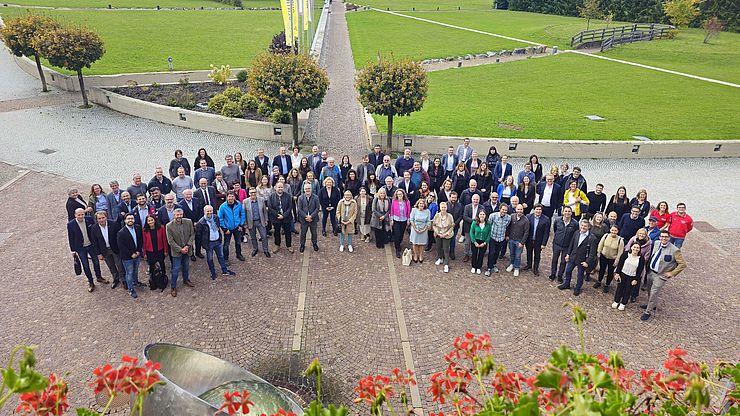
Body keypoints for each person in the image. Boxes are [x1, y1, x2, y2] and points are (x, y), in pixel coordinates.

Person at [640, 230, 687, 321]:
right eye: (662, 236)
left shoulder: (675, 250)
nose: (664, 238)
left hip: (661, 275)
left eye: (666, 237)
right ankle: (651, 304)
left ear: (669, 238)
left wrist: (672, 273)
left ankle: (647, 312)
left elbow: (682, 264)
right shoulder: (657, 243)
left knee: (654, 292)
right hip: (651, 272)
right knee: (649, 290)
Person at [68, 208, 107, 292]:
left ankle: (99, 277)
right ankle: (91, 282)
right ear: (75, 215)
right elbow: (70, 237)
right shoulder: (71, 224)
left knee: (96, 262)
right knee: (85, 265)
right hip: (80, 248)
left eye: (82, 214)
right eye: (79, 215)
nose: (81, 216)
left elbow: (94, 231)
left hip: (91, 245)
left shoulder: (89, 220)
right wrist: (73, 250)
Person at [558, 219, 597, 296]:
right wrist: (568, 254)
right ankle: (566, 284)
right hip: (573, 256)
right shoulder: (576, 233)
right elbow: (571, 244)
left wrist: (587, 262)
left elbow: (592, 253)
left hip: (582, 260)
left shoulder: (592, 238)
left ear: (588, 227)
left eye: (585, 226)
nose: (583, 227)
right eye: (582, 225)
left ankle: (578, 288)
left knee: (580, 275)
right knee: (568, 271)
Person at [198, 205, 235, 280]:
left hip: (217, 241)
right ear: (204, 212)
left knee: (221, 256)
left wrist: (220, 238)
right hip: (209, 243)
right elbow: (199, 236)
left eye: (210, 211)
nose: (209, 212)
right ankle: (213, 273)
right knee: (210, 259)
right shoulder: (201, 222)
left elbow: (218, 226)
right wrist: (204, 245)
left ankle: (224, 270)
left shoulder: (215, 217)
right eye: (207, 211)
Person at [165, 208, 195, 297]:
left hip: (187, 249)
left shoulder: (188, 222)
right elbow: (170, 241)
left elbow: (192, 234)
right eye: (177, 215)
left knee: (186, 266)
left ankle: (186, 280)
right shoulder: (169, 226)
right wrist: (180, 249)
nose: (179, 216)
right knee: (176, 269)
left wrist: (187, 246)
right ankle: (173, 287)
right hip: (177, 252)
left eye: (180, 215)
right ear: (174, 215)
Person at [90, 211, 124, 289]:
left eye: (103, 218)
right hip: (104, 251)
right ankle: (116, 279)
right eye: (99, 218)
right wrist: (98, 253)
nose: (101, 220)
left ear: (106, 217)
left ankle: (123, 279)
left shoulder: (113, 224)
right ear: (96, 219)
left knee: (120, 265)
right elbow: (94, 242)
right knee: (111, 266)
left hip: (115, 248)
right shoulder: (94, 228)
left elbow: (119, 237)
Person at [117, 213, 144, 298]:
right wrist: (131, 254)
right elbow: (122, 246)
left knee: (135, 270)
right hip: (127, 257)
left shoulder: (138, 228)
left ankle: (135, 282)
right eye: (128, 219)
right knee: (129, 273)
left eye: (132, 218)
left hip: (137, 254)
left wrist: (139, 251)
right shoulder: (121, 232)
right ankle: (131, 289)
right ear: (125, 220)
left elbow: (140, 240)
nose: (130, 220)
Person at [613, 242, 645, 311]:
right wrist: (617, 273)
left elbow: (640, 270)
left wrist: (636, 279)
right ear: (631, 247)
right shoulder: (625, 254)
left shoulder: (641, 258)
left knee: (628, 290)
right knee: (619, 288)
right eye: (634, 247)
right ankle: (616, 301)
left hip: (632, 277)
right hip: (623, 274)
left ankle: (623, 303)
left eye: (637, 248)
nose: (635, 249)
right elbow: (620, 264)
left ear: (639, 249)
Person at [549, 206, 578, 282]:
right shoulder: (557, 220)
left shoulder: (575, 224)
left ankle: (560, 275)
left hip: (567, 246)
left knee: (563, 261)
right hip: (557, 244)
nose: (567, 213)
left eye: (569, 211)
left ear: (571, 213)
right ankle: (553, 273)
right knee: (554, 260)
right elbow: (555, 229)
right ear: (562, 212)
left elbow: (575, 235)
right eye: (566, 211)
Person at [625, 227, 653, 302]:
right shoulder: (633, 239)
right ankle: (625, 292)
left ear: (646, 235)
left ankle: (634, 295)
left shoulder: (648, 243)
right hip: (630, 260)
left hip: (640, 262)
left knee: (637, 279)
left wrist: (640, 260)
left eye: (643, 234)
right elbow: (627, 248)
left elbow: (647, 255)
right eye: (640, 233)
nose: (641, 235)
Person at [594, 225, 624, 293]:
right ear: (610, 230)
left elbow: (620, 252)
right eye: (612, 230)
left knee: (610, 273)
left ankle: (607, 285)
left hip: (612, 258)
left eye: (615, 230)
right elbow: (600, 244)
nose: (613, 232)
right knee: (601, 270)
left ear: (617, 231)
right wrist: (599, 252)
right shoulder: (606, 236)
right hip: (603, 256)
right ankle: (599, 281)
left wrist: (617, 261)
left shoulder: (620, 240)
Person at [218, 192, 246, 263]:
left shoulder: (238, 204)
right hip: (228, 229)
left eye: (232, 196)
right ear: (226, 197)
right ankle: (225, 258)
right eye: (229, 197)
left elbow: (242, 214)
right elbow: (220, 218)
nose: (230, 198)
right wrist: (224, 229)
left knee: (238, 242)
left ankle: (239, 254)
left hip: (237, 227)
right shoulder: (223, 206)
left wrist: (241, 225)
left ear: (234, 197)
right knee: (226, 244)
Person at [267, 182, 294, 253]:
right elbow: (270, 207)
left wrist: (284, 215)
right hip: (276, 218)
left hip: (286, 217)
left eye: (281, 187)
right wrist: (277, 215)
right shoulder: (271, 196)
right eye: (278, 187)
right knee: (277, 232)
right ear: (275, 188)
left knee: (288, 232)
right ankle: (277, 245)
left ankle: (289, 245)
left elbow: (290, 207)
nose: (280, 189)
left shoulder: (288, 196)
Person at [243, 188, 270, 257]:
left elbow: (264, 211)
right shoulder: (245, 202)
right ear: (249, 193)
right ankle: (255, 249)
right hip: (251, 222)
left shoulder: (261, 200)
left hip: (260, 221)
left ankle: (266, 250)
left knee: (264, 236)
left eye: (254, 192)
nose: (253, 194)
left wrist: (266, 219)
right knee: (253, 237)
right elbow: (244, 213)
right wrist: (245, 223)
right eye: (251, 192)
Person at [525, 204, 550, 276]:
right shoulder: (528, 217)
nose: (538, 211)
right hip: (529, 240)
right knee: (529, 253)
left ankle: (536, 268)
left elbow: (546, 233)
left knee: (537, 255)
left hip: (538, 241)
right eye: (537, 209)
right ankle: (529, 265)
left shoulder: (546, 219)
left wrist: (544, 244)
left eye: (540, 210)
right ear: (534, 210)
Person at [178, 189, 202, 260]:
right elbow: (183, 216)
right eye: (187, 194)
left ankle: (198, 252)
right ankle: (191, 254)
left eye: (190, 194)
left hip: (198, 223)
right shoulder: (180, 204)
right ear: (183, 195)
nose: (188, 196)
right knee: (190, 240)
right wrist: (191, 223)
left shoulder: (196, 200)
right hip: (187, 225)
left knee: (198, 238)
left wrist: (198, 221)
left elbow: (201, 211)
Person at [506, 204, 529, 277]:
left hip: (519, 241)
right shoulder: (512, 216)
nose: (519, 211)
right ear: (516, 209)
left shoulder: (526, 220)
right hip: (511, 239)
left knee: (518, 255)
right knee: (512, 253)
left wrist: (522, 242)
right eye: (518, 209)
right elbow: (508, 227)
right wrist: (507, 235)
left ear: (523, 210)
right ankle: (512, 264)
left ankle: (517, 267)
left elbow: (526, 232)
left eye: (521, 209)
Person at [296, 183, 320, 252]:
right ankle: (302, 245)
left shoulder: (316, 197)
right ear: (304, 189)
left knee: (314, 233)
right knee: (303, 233)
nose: (307, 190)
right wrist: (306, 216)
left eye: (309, 188)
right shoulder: (300, 198)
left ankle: (314, 244)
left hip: (313, 219)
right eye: (306, 188)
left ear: (311, 189)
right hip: (304, 219)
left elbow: (317, 208)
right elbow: (299, 209)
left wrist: (311, 216)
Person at [433, 201, 454, 273]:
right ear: (440, 208)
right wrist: (438, 233)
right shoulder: (437, 216)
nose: (443, 208)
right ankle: (440, 258)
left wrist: (446, 233)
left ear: (446, 208)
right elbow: (434, 225)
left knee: (446, 249)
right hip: (438, 234)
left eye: (444, 207)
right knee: (438, 247)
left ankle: (446, 264)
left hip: (447, 235)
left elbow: (452, 226)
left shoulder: (450, 216)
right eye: (442, 207)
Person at [462, 193, 482, 263]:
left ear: (479, 200)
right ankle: (466, 254)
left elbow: (483, 217)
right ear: (472, 199)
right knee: (467, 242)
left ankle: (473, 254)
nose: (475, 201)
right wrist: (474, 221)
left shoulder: (481, 207)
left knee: (474, 241)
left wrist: (476, 222)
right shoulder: (467, 207)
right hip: (468, 227)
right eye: (474, 199)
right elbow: (465, 216)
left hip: (477, 228)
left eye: (477, 199)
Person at [408, 198, 431, 262]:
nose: (421, 205)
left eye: (423, 204)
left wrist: (424, 229)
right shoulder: (414, 210)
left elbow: (428, 221)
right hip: (415, 229)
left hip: (424, 229)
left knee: (422, 243)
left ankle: (421, 255)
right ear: (418, 204)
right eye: (420, 203)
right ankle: (415, 255)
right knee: (415, 243)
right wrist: (415, 228)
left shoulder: (427, 211)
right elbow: (411, 220)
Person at [390, 189, 410, 258]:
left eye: (401, 194)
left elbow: (408, 211)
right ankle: (397, 249)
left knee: (401, 234)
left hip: (404, 219)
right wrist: (391, 219)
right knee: (397, 234)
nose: (400, 195)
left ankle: (399, 242)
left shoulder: (407, 201)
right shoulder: (394, 201)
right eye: (398, 194)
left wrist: (408, 219)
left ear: (403, 194)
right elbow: (392, 210)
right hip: (396, 219)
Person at [469, 209, 490, 274]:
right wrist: (474, 242)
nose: (482, 216)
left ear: (485, 215)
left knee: (481, 255)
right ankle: (473, 266)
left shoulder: (488, 224)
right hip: (475, 240)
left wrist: (485, 242)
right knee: (474, 254)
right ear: (478, 215)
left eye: (483, 214)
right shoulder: (474, 222)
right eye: (481, 214)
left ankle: (478, 267)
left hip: (483, 241)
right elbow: (471, 232)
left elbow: (489, 233)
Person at [446, 191, 463, 261]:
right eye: (452, 197)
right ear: (449, 197)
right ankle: (445, 252)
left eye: (455, 198)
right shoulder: (446, 204)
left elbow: (460, 216)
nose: (454, 199)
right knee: (446, 240)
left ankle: (452, 252)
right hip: (446, 226)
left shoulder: (460, 205)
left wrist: (455, 223)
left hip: (455, 226)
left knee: (453, 239)